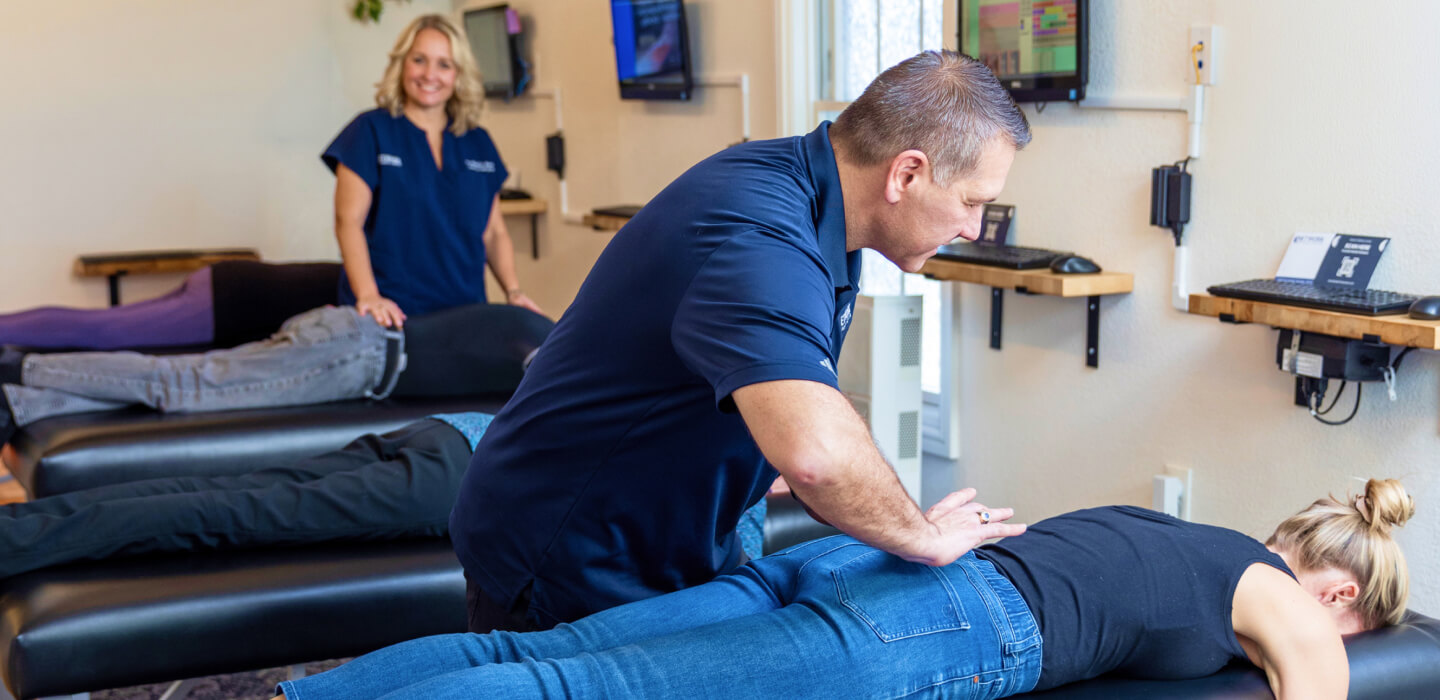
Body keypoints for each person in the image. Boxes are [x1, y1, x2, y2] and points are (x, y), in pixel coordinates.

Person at [448, 49, 1032, 633]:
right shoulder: (760, 240)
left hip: (676, 535)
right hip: (563, 548)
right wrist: (922, 536)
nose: (973, 230)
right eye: (972, 202)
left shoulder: (809, 195)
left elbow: (785, 401)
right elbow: (817, 458)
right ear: (906, 174)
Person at [275, 479, 1414, 699]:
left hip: (873, 558)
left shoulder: (1180, 526)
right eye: (1355, 619)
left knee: (539, 655)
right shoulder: (1272, 591)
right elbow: (1314, 690)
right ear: (1329, 589)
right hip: (943, 617)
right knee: (586, 690)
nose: (1341, 635)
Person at [0, 411, 769, 583]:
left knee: (224, 492)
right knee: (225, 514)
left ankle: (25, 526)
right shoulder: (747, 457)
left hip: (447, 432)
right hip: (455, 474)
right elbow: (736, 563)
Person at [0, 303, 554, 446]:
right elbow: (555, 396)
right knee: (183, 385)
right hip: (352, 356)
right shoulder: (544, 342)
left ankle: (19, 404)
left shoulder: (533, 326)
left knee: (188, 382)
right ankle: (21, 363)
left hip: (344, 340)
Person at [325, 13, 542, 330]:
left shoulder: (478, 142)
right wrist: (369, 296)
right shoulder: (369, 131)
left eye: (444, 64)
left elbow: (493, 232)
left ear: (458, 74)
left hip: (465, 315)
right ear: (402, 65)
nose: (430, 74)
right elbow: (348, 222)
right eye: (419, 60)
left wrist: (513, 292)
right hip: (392, 315)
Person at [0, 260, 342, 351]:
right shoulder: (376, 290)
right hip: (229, 301)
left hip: (229, 283)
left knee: (102, 323)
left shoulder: (370, 278)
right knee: (103, 330)